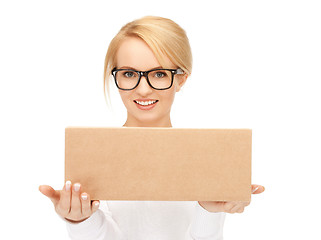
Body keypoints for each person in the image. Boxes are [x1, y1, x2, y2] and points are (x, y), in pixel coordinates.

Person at [39, 15, 265, 240]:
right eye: (129, 74)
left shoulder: (202, 158)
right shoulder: (95, 155)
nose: (144, 90)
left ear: (181, 78)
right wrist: (81, 221)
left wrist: (210, 211)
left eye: (158, 74)